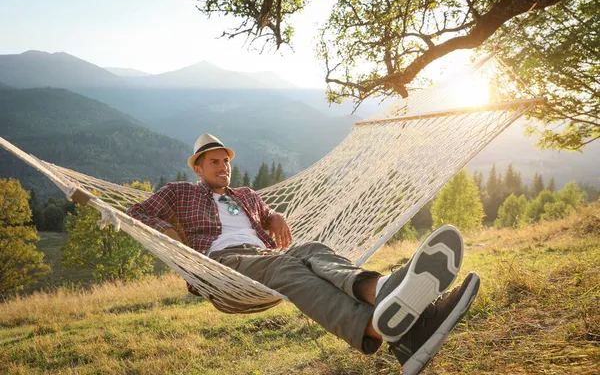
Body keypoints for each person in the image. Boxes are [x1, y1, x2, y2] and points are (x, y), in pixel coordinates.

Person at [128, 133, 481, 375]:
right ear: (198, 168)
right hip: (221, 265)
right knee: (287, 266)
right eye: (215, 162)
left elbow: (266, 216)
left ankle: (384, 294)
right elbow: (137, 213)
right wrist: (170, 234)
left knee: (311, 250)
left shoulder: (246, 195)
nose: (223, 167)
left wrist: (275, 216)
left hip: (260, 254)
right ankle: (377, 326)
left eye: (226, 161)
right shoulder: (179, 192)